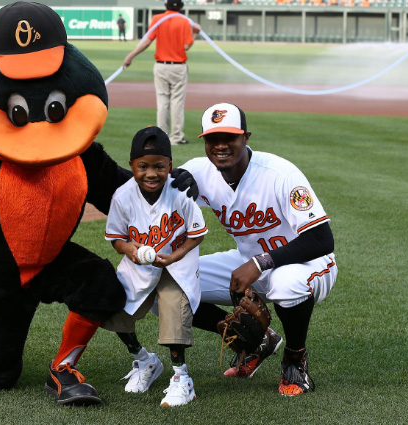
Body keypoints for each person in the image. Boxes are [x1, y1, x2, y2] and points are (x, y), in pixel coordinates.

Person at [171, 102, 338, 396]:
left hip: (309, 263)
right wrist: (169, 188)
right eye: (212, 139)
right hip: (250, 262)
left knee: (286, 284)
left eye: (229, 138)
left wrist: (260, 263)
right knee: (172, 284)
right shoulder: (199, 170)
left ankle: (295, 358)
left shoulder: (279, 173)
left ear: (246, 137)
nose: (220, 146)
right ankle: (256, 343)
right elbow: (148, 192)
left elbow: (321, 239)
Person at [102, 126, 208, 407]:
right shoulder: (122, 197)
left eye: (159, 166)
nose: (151, 173)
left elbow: (198, 232)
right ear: (132, 166)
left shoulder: (180, 193)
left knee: (174, 307)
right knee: (113, 307)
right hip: (140, 265)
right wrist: (129, 250)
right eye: (143, 166)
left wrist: (175, 256)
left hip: (177, 264)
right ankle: (144, 361)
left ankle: (182, 378)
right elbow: (116, 238)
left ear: (170, 166)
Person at [123, 1, 201, 146]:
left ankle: (162, 137)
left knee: (162, 102)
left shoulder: (157, 19)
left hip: (161, 66)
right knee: (177, 103)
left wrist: (131, 55)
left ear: (166, 5)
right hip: (179, 67)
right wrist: (195, 33)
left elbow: (147, 42)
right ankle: (176, 138)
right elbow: (186, 46)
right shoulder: (184, 21)